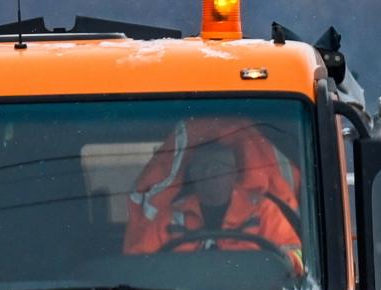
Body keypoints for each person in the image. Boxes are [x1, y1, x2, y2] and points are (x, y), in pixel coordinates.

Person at [122, 117, 306, 276]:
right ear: (192, 175)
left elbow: (295, 256)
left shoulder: (263, 209)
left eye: (219, 167)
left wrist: (278, 264)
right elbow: (139, 267)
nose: (210, 174)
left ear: (234, 173)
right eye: (202, 168)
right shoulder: (170, 216)